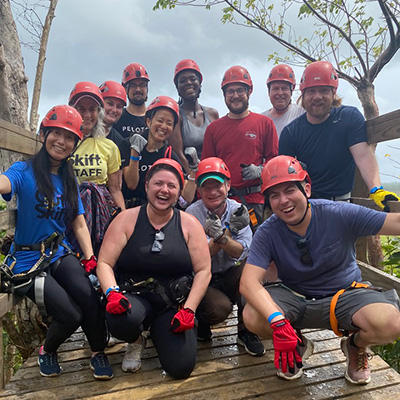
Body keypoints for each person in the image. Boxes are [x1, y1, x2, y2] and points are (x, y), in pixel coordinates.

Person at [240, 155, 400, 384]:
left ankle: (355, 347)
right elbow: (248, 282)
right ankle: (296, 343)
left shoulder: (338, 213)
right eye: (274, 195)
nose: (283, 200)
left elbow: (394, 223)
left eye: (289, 190)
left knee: (391, 322)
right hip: (294, 296)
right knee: (253, 317)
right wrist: (277, 321)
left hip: (345, 295)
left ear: (306, 188)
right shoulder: (268, 232)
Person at [0, 105, 113, 380]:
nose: (61, 142)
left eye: (69, 137)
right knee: (70, 315)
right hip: (27, 262)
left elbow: (78, 221)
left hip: (58, 253)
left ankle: (98, 352)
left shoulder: (69, 178)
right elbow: (4, 183)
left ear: (75, 143)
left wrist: (90, 259)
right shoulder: (23, 170)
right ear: (43, 134)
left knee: (89, 296)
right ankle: (47, 350)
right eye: (56, 134)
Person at [96, 158, 211, 379]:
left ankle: (161, 336)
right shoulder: (125, 220)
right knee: (120, 319)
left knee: (181, 368)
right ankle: (136, 340)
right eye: (158, 183)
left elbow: (204, 270)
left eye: (171, 186)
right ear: (147, 185)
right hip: (133, 297)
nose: (164, 190)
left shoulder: (189, 224)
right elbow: (105, 263)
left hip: (172, 303)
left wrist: (189, 309)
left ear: (179, 192)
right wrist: (111, 293)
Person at [279, 61, 400, 208]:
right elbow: (284, 176)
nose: (317, 97)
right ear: (303, 95)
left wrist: (376, 189)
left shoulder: (349, 118)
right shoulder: (291, 132)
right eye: (311, 91)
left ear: (333, 93)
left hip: (342, 202)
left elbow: (362, 155)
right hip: (308, 205)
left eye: (324, 90)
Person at [186, 157, 265, 356]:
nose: (213, 192)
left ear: (228, 185)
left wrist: (220, 237)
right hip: (205, 277)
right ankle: (202, 322)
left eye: (218, 185)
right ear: (199, 191)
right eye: (206, 187)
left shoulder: (239, 209)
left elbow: (242, 250)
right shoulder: (191, 214)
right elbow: (197, 257)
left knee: (250, 272)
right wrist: (225, 237)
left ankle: (247, 331)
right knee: (218, 309)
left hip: (231, 270)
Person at [202, 65, 278, 224]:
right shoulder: (214, 129)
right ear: (224, 94)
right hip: (223, 203)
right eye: (230, 91)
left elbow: (275, 162)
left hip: (254, 202)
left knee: (256, 247)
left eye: (240, 90)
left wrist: (261, 170)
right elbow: (206, 169)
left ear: (249, 92)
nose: (235, 95)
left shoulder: (264, 123)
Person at [68, 81, 125, 254]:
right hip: (69, 206)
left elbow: (115, 189)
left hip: (99, 210)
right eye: (81, 108)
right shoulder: (63, 144)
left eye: (92, 109)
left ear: (98, 113)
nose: (87, 114)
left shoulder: (109, 147)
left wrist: (123, 219)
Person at [124, 95, 197, 208]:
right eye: (160, 120)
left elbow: (187, 197)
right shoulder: (129, 145)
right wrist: (135, 153)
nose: (164, 126)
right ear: (148, 122)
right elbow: (131, 184)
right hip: (131, 210)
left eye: (169, 123)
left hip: (157, 212)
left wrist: (193, 172)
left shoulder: (169, 156)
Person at [169, 59, 219, 174]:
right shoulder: (176, 115)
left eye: (192, 79)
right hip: (190, 178)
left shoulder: (212, 114)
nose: (188, 83)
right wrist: (195, 178)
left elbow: (219, 150)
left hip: (213, 176)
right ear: (177, 87)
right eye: (182, 80)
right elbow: (178, 153)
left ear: (199, 82)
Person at [262, 64, 304, 138]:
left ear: (291, 90)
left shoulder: (302, 114)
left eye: (284, 88)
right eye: (275, 89)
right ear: (269, 91)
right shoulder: (262, 120)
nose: (280, 93)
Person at [114, 62, 150, 139]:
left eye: (142, 85)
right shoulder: (117, 116)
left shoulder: (154, 118)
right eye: (133, 85)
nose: (138, 89)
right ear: (125, 89)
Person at [99, 80, 128, 166]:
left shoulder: (119, 142)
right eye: (110, 104)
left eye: (119, 107)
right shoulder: (84, 133)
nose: (114, 110)